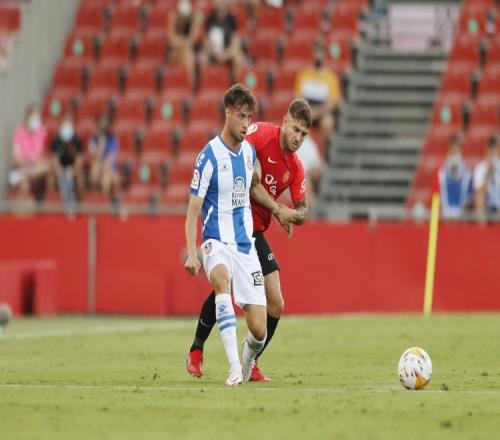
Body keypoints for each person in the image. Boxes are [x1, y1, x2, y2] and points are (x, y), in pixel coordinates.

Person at [186, 97, 312, 382]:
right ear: (285, 121)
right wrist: (278, 210)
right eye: (295, 129)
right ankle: (197, 348)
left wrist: (292, 214)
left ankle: (249, 361)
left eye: (304, 134)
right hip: (233, 223)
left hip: (254, 232)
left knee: (276, 303)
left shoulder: (295, 166)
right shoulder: (260, 134)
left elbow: (304, 211)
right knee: (224, 284)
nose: (298, 138)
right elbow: (252, 184)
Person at [295, 41, 340, 148]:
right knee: (298, 121)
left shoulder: (330, 77)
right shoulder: (304, 75)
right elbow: (298, 98)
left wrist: (315, 113)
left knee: (327, 122)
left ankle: (324, 152)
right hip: (306, 111)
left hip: (321, 114)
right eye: (315, 52)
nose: (318, 55)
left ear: (324, 54)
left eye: (320, 52)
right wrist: (308, 113)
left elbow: (331, 104)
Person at [9, 104, 51, 200]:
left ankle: (46, 200)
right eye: (33, 117)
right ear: (27, 118)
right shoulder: (19, 132)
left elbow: (45, 154)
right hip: (22, 166)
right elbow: (16, 157)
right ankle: (25, 203)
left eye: (37, 117)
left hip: (37, 167)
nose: (35, 120)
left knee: (47, 167)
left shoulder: (43, 131)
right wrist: (25, 164)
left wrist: (36, 163)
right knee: (22, 176)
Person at [199, 0, 244, 76]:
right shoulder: (209, 18)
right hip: (213, 51)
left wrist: (226, 54)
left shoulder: (232, 19)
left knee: (238, 58)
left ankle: (236, 81)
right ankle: (205, 80)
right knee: (202, 58)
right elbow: (206, 41)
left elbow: (236, 41)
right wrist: (215, 53)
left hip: (228, 51)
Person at [51, 113, 84, 209]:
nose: (67, 126)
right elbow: (54, 159)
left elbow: (79, 160)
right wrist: (59, 169)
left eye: (69, 123)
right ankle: (60, 205)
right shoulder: (56, 140)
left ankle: (73, 204)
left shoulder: (77, 140)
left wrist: (73, 170)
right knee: (57, 177)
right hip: (60, 169)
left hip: (73, 169)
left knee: (77, 178)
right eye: (65, 123)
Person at [166, 0, 203, 80]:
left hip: (188, 51)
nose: (183, 20)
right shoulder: (173, 17)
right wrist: (183, 42)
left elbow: (193, 39)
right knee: (183, 52)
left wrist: (180, 42)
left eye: (184, 18)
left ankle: (190, 82)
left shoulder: (194, 18)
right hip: (176, 51)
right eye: (181, 17)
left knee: (189, 55)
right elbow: (171, 39)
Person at [438, 135, 473, 220]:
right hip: (445, 214)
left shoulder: (468, 174)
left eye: (457, 149)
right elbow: (436, 195)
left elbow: (469, 197)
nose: (455, 152)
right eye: (452, 149)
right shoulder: (441, 173)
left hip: (461, 214)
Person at [88, 114, 119, 196]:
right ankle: (94, 197)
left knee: (106, 177)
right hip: (97, 168)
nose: (103, 129)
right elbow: (94, 158)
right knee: (94, 170)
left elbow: (110, 159)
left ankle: (105, 198)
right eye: (101, 126)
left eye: (105, 126)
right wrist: (101, 143)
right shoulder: (93, 140)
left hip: (109, 169)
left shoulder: (112, 140)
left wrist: (103, 170)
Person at [473, 136, 500, 223]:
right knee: (479, 196)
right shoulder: (480, 168)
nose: (492, 152)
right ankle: (482, 226)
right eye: (490, 149)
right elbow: (479, 191)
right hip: (487, 204)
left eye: (494, 149)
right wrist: (489, 173)